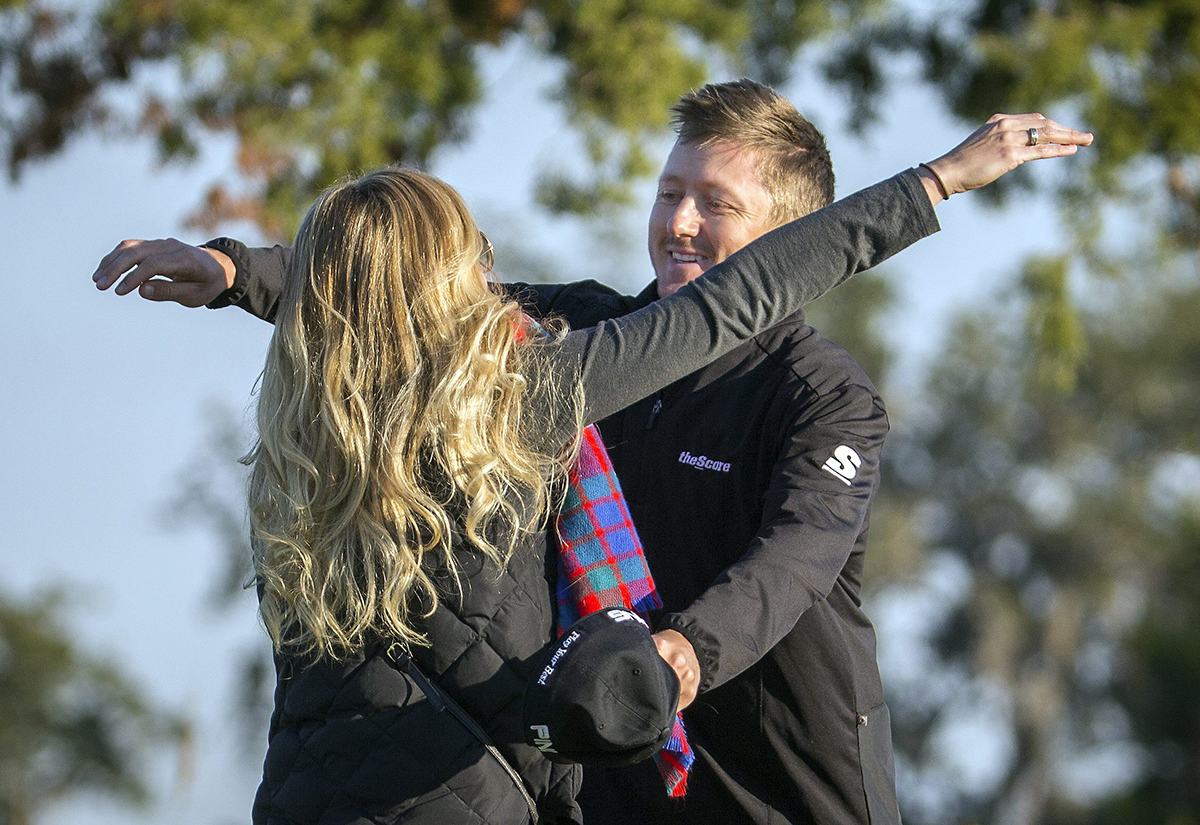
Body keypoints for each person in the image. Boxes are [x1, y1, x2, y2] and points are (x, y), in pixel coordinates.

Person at [94, 112, 1090, 825]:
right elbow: (722, 309)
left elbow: (375, 299)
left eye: (716, 202)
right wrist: (937, 180)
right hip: (512, 782)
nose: (682, 222)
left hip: (756, 777)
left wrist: (236, 273)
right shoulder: (524, 388)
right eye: (670, 194)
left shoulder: (301, 445)